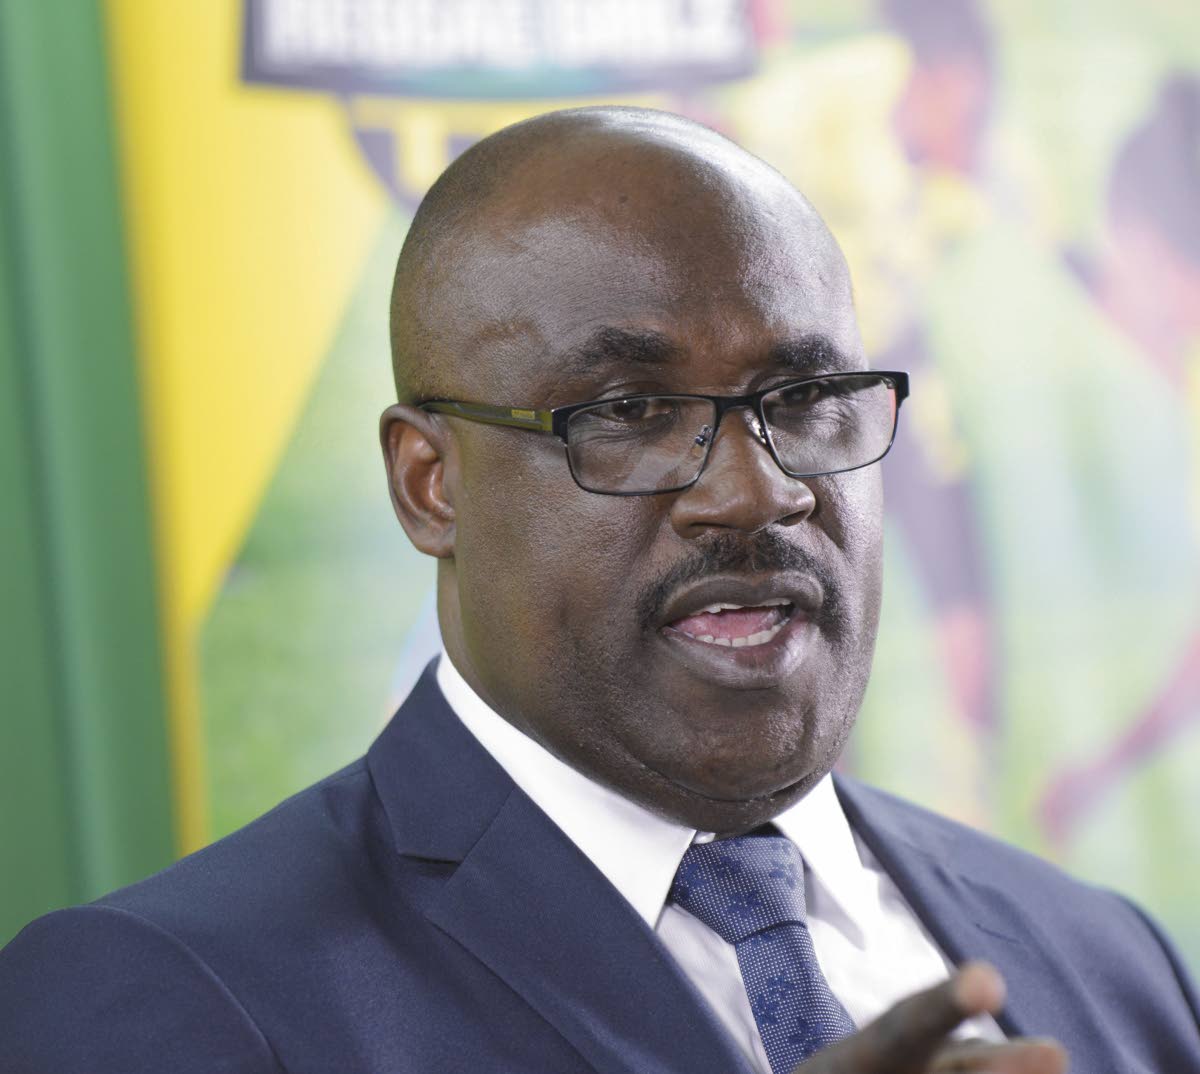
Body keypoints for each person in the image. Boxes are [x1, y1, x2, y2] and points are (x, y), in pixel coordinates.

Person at [2, 106, 1197, 1074]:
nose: (757, 491)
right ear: (430, 485)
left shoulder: (1113, 964)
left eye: (803, 400)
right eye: (630, 412)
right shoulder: (166, 998)